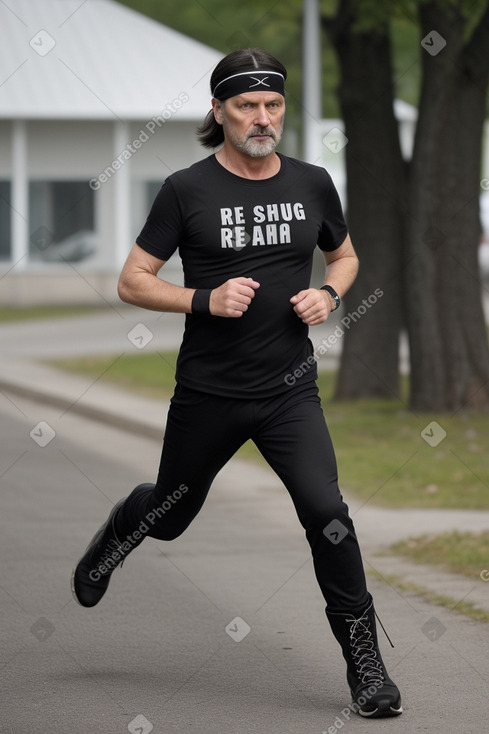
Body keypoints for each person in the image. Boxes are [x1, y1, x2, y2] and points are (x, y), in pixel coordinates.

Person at [72, 47, 402, 719]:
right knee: (169, 518)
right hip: (209, 393)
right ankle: (121, 528)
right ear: (217, 111)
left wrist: (330, 295)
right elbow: (131, 280)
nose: (261, 117)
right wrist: (202, 299)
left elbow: (342, 255)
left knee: (327, 514)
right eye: (246, 105)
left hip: (289, 391)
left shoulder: (312, 183)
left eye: (272, 104)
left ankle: (365, 669)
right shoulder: (187, 190)